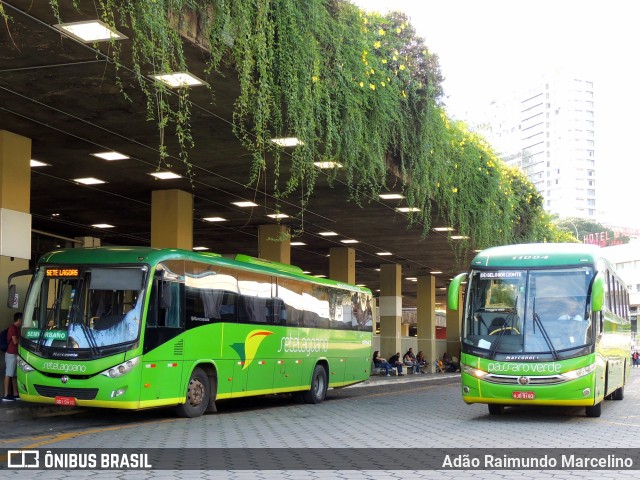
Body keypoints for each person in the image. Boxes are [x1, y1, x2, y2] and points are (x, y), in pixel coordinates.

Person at [3, 312, 23, 401]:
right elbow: (15, 341)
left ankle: (15, 394)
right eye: (21, 320)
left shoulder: (17, 329)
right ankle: (6, 394)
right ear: (19, 320)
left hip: (15, 354)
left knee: (14, 375)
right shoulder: (12, 328)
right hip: (10, 354)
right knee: (8, 374)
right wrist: (22, 338)